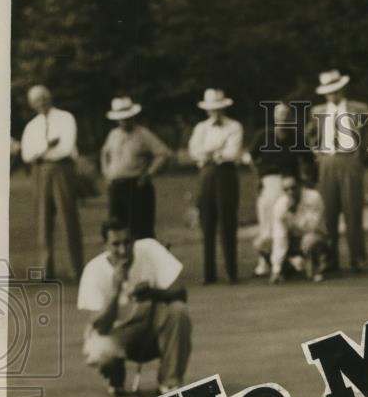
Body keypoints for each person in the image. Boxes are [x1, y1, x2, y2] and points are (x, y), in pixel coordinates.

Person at [78, 217, 192, 397]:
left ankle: (169, 383)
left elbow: (181, 294)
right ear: (104, 245)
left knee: (178, 311)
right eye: (116, 244)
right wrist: (115, 291)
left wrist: (153, 292)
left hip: (149, 327)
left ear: (134, 240)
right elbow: (101, 326)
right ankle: (115, 376)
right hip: (116, 332)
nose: (123, 250)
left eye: (127, 242)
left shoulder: (150, 248)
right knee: (100, 351)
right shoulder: (94, 270)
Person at [20, 85, 84, 280]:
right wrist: (46, 146)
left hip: (61, 169)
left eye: (44, 98)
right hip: (39, 172)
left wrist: (40, 151)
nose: (41, 103)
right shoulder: (32, 126)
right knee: (42, 220)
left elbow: (66, 148)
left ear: (50, 97)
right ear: (32, 104)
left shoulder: (65, 118)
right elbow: (26, 154)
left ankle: (76, 268)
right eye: (36, 100)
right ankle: (46, 270)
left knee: (68, 218)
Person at [310, 69, 368, 273]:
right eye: (328, 92)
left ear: (342, 89)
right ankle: (330, 258)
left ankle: (357, 258)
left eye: (336, 90)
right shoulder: (318, 111)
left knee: (352, 210)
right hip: (328, 161)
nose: (332, 95)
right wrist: (318, 155)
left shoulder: (359, 109)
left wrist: (359, 157)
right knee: (328, 212)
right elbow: (309, 136)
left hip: (349, 160)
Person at [249, 101, 315, 276]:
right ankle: (264, 262)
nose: (283, 119)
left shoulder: (296, 136)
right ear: (274, 117)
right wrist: (258, 179)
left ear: (290, 117)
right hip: (269, 181)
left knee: (286, 224)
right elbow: (251, 157)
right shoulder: (263, 136)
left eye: (286, 115)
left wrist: (306, 180)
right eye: (279, 115)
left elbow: (309, 158)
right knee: (267, 224)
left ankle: (286, 260)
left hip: (289, 183)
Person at [188, 88, 243, 284]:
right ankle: (209, 273)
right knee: (207, 223)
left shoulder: (234, 126)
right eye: (212, 109)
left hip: (226, 175)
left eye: (219, 108)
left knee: (227, 222)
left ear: (224, 108)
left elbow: (232, 153)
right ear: (207, 110)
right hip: (206, 175)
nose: (216, 112)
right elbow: (194, 151)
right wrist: (213, 152)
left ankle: (231, 271)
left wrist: (211, 153)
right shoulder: (201, 128)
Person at [100, 96, 171, 240]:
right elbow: (105, 153)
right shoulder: (113, 134)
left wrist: (149, 174)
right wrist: (107, 173)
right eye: (121, 119)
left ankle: (145, 261)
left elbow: (163, 153)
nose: (124, 121)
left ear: (133, 117)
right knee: (116, 229)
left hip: (136, 187)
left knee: (141, 232)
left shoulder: (143, 134)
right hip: (116, 187)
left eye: (127, 118)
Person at [256, 174, 329, 284]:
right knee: (262, 244)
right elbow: (279, 235)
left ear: (300, 185)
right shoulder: (280, 205)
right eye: (286, 189)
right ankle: (286, 268)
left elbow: (312, 227)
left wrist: (292, 213)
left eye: (293, 188)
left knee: (309, 241)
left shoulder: (314, 197)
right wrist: (276, 268)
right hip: (292, 240)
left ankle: (315, 267)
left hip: (315, 236)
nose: (290, 192)